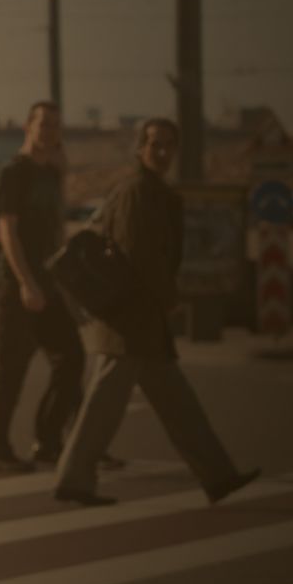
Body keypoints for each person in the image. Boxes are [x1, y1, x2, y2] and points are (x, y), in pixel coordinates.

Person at [51, 118, 258, 507]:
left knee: (178, 404)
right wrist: (168, 298)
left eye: (167, 146)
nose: (161, 152)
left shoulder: (151, 190)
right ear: (139, 149)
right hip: (131, 319)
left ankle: (219, 476)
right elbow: (140, 258)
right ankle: (74, 480)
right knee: (103, 408)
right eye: (154, 145)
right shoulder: (139, 191)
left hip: (140, 319)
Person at [0, 101, 86, 473]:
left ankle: (48, 440)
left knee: (71, 358)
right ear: (28, 127)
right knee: (9, 369)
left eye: (56, 125)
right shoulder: (14, 172)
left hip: (50, 283)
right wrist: (25, 282)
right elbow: (6, 229)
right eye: (43, 124)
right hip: (16, 284)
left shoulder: (51, 174)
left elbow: (57, 228)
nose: (50, 131)